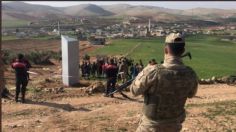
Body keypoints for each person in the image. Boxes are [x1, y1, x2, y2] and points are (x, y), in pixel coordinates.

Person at [130, 33, 198, 132]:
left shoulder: (153, 71)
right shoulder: (191, 74)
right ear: (183, 50)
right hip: (174, 126)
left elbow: (134, 91)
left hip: (151, 127)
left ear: (165, 49)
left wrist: (146, 69)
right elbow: (192, 94)